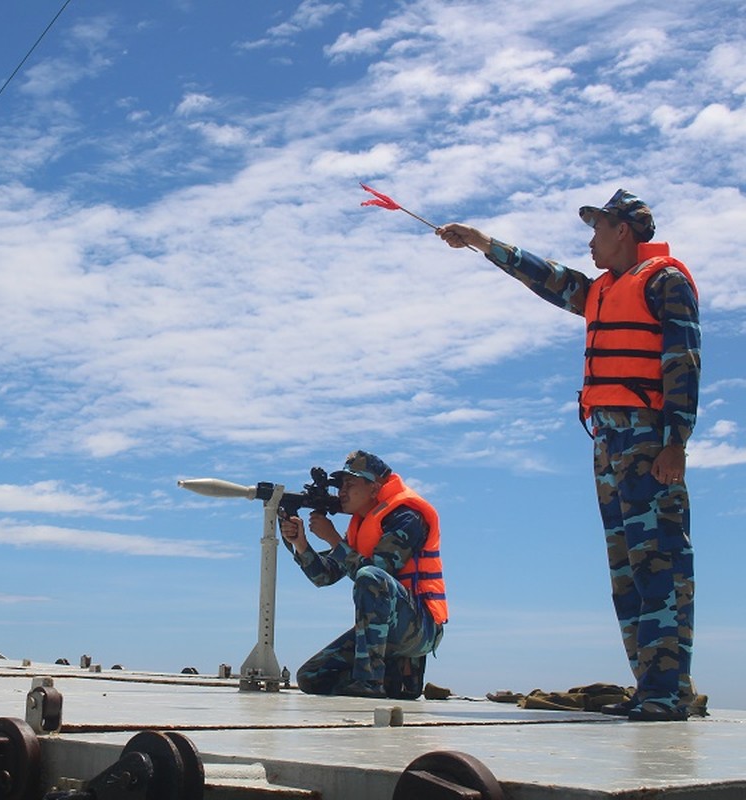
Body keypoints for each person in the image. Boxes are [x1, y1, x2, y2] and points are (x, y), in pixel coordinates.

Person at [438, 189, 699, 722]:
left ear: (621, 229)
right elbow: (549, 277)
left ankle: (666, 691)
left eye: (597, 229)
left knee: (661, 564)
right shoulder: (601, 289)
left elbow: (683, 359)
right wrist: (483, 243)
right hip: (607, 443)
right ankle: (653, 685)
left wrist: (677, 442)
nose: (590, 240)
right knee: (626, 571)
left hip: (649, 439)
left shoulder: (665, 281)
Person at [280, 450, 447, 698]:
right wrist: (301, 544)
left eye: (350, 483)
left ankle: (369, 683)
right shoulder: (361, 524)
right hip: (388, 630)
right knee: (310, 678)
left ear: (374, 488)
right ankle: (393, 680)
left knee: (371, 576)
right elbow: (324, 576)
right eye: (340, 485)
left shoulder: (407, 517)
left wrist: (334, 539)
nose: (341, 492)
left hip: (422, 627)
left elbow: (377, 573)